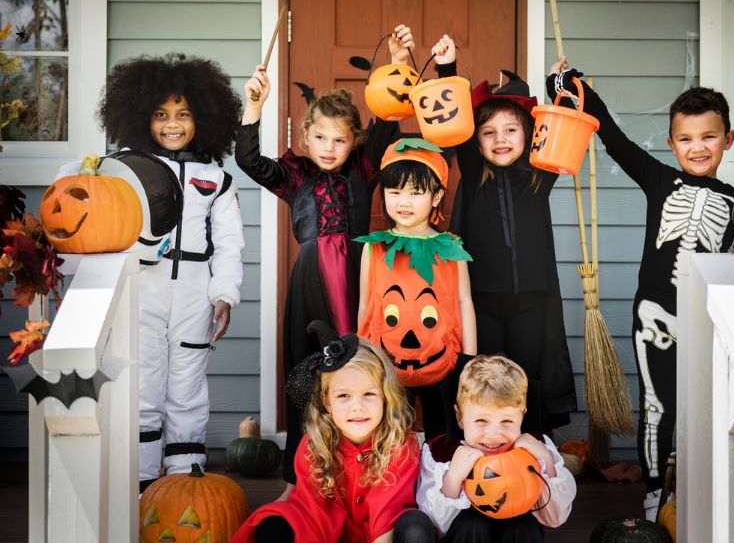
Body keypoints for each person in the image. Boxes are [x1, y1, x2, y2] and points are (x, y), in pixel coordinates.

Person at [236, 25, 428, 496]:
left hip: (361, 279)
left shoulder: (364, 169)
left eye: (339, 140)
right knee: (306, 373)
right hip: (310, 285)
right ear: (306, 137)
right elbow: (247, 160)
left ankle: (370, 471)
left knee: (364, 369)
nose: (328, 148)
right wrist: (254, 107)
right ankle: (299, 479)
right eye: (320, 138)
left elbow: (386, 122)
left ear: (353, 142)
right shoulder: (295, 176)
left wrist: (399, 62)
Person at [547, 57, 734, 520]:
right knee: (657, 406)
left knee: (705, 410)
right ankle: (654, 497)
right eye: (687, 139)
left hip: (710, 320)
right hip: (657, 314)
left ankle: (695, 489)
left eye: (709, 137)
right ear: (672, 144)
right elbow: (612, 136)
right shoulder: (659, 179)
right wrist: (566, 86)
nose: (697, 148)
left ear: (728, 140)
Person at [98, 53, 245, 491]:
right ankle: (142, 481)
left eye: (183, 114)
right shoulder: (125, 170)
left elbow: (230, 245)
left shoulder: (216, 179)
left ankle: (185, 479)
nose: (173, 124)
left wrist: (225, 295)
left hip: (196, 296)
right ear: (141, 116)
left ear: (204, 117)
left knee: (187, 386)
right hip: (143, 289)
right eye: (161, 115)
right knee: (143, 384)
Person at [449, 52, 577, 434]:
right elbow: (453, 121)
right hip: (483, 300)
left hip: (531, 300)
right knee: (483, 377)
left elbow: (559, 128)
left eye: (510, 130)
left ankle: (533, 446)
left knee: (528, 375)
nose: (500, 140)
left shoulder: (539, 175)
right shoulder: (474, 176)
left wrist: (559, 87)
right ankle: (481, 444)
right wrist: (447, 69)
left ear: (527, 134)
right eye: (489, 132)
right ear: (478, 141)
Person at [231, 332, 435, 543]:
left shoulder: (400, 443)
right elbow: (315, 517)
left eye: (369, 394)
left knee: (416, 526)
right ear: (327, 402)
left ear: (385, 397)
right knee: (273, 525)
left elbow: (387, 511)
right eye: (344, 396)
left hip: (383, 533)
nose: (357, 406)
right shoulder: (314, 445)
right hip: (325, 531)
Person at [357, 133, 477, 440]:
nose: (404, 202)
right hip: (387, 364)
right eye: (394, 192)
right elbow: (365, 304)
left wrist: (469, 359)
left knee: (443, 437)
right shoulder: (374, 248)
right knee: (393, 437)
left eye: (415, 193)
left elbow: (464, 302)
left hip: (443, 361)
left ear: (436, 197)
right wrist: (363, 355)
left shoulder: (450, 247)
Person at [416, 355, 576, 542]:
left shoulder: (536, 449)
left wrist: (547, 461)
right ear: (459, 417)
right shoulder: (441, 453)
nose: (493, 434)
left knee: (521, 523)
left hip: (518, 532)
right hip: (466, 534)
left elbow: (555, 518)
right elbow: (434, 525)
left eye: (507, 421)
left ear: (522, 417)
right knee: (472, 523)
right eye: (481, 420)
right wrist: (453, 478)